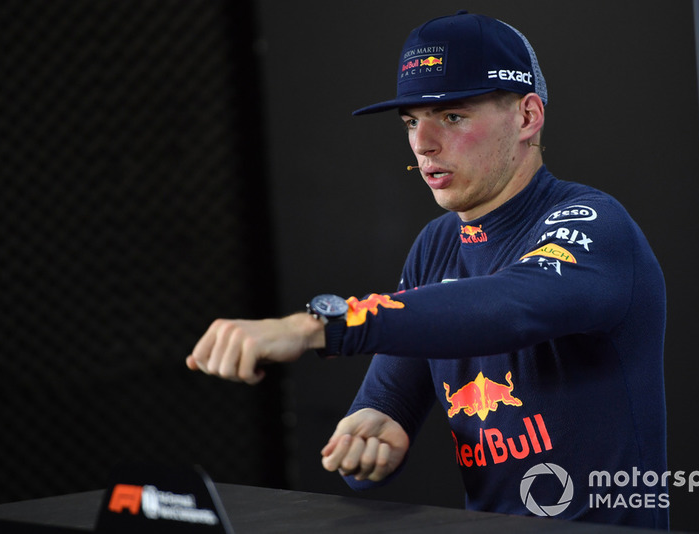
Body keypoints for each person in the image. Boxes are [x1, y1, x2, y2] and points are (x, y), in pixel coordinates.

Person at [186, 11, 668, 529]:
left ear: (528, 116)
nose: (423, 143)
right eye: (412, 121)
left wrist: (317, 325)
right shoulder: (436, 246)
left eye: (452, 116)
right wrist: (369, 435)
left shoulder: (594, 222)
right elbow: (385, 402)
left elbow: (511, 306)